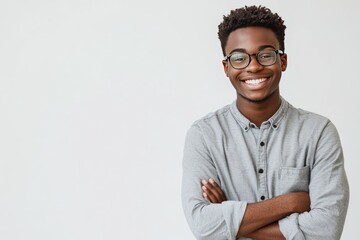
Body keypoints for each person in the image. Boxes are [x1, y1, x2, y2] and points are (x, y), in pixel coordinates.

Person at [181, 5, 349, 240]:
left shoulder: (319, 132)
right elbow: (203, 226)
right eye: (239, 57)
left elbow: (326, 230)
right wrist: (290, 202)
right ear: (226, 68)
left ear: (283, 61)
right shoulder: (204, 135)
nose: (253, 66)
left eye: (266, 54)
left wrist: (231, 217)